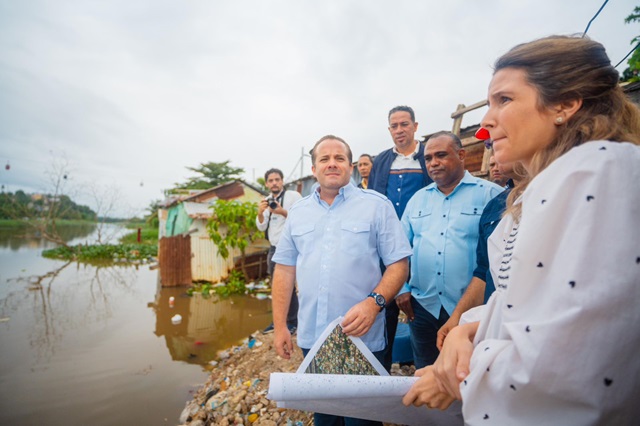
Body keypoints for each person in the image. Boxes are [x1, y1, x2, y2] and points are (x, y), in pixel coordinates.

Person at [403, 35, 640, 424]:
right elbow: (529, 306)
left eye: (505, 100)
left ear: (564, 104)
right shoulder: (546, 187)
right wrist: (469, 332)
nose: (487, 120)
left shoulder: (596, 173)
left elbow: (572, 360)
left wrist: (458, 374)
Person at [272, 135, 411, 426]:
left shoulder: (377, 206)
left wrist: (374, 304)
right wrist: (282, 325)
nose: (332, 164)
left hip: (362, 336)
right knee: (324, 415)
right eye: (324, 159)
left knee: (362, 419)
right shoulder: (298, 213)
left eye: (339, 158)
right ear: (314, 169)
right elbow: (284, 269)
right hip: (313, 335)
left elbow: (399, 264)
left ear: (351, 166)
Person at [397, 131, 502, 369]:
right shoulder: (417, 200)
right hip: (423, 306)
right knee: (425, 370)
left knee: (468, 372)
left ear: (461, 154)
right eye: (428, 158)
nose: (434, 163)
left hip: (471, 309)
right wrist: (401, 288)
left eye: (441, 155)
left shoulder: (490, 195)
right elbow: (399, 249)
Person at [368, 105, 433, 371]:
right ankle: (379, 374)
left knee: (423, 311)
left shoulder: (427, 156)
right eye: (394, 126)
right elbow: (372, 200)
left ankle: (426, 371)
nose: (399, 130)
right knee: (386, 309)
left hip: (422, 243)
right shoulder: (382, 160)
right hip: (386, 247)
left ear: (415, 126)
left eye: (404, 124)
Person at [435, 156, 519, 350]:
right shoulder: (496, 206)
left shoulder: (565, 197)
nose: (497, 157)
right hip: (491, 331)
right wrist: (456, 320)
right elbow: (484, 271)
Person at [256, 168, 302, 334]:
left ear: (282, 181)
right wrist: (261, 212)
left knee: (287, 285)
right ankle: (278, 321)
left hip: (290, 246)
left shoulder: (293, 197)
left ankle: (292, 322)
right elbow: (261, 225)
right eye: (271, 180)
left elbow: (302, 218)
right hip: (274, 248)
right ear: (267, 184)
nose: (274, 183)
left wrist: (281, 211)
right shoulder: (267, 200)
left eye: (277, 179)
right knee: (276, 286)